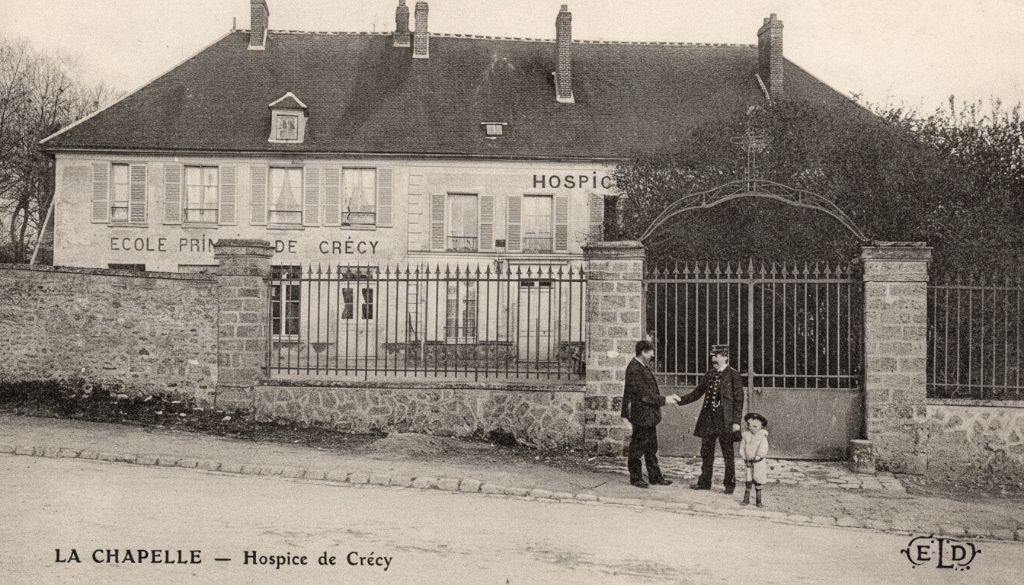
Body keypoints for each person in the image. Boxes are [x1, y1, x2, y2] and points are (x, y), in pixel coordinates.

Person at [677, 344, 745, 493]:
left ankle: (729, 485)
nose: (713, 359)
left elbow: (739, 400)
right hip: (708, 419)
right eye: (712, 356)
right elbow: (697, 393)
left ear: (725, 357)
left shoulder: (733, 375)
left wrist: (736, 422)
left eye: (717, 356)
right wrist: (680, 400)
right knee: (706, 452)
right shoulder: (710, 374)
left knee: (728, 454)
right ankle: (704, 483)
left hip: (725, 420)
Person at [620, 340, 680, 488]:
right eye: (651, 352)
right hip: (641, 415)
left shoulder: (641, 367)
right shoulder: (634, 368)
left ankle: (655, 477)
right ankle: (636, 478)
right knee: (637, 447)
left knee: (651, 447)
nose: (653, 354)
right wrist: (665, 400)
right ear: (643, 352)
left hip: (648, 415)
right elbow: (644, 395)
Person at [739, 412, 770, 507]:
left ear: (761, 426)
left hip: (758, 464)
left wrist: (758, 457)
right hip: (748, 462)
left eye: (755, 426)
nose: (752, 428)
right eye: (750, 426)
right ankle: (746, 499)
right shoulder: (746, 436)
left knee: (758, 480)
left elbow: (763, 449)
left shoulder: (762, 437)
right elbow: (742, 448)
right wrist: (744, 457)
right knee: (748, 480)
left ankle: (758, 501)